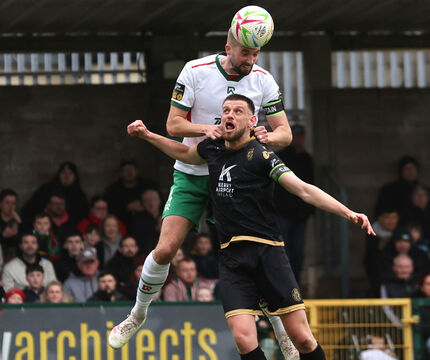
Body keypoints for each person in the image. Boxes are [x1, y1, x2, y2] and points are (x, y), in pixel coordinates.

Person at [111, 94, 375, 360]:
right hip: (232, 259)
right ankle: (137, 313)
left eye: (237, 111)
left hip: (269, 253)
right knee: (243, 340)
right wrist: (148, 135)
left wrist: (348, 212)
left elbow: (304, 190)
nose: (229, 115)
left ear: (252, 121)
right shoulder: (211, 148)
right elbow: (184, 153)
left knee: (304, 340)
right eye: (226, 110)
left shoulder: (262, 155)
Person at [111, 23, 294, 353]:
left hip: (238, 175)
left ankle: (281, 331)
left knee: (250, 253)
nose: (250, 59)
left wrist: (268, 136)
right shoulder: (195, 71)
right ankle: (137, 314)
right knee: (166, 249)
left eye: (255, 53)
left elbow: (285, 133)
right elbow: (174, 124)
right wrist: (210, 130)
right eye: (245, 53)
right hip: (193, 171)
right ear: (228, 48)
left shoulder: (264, 80)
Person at [273, 124, 315, 285]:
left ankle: (295, 286)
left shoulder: (306, 159)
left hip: (300, 215)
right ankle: (286, 286)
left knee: (298, 253)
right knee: (284, 252)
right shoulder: (280, 156)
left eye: (300, 136)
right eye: (295, 135)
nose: (298, 139)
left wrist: (309, 211)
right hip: (282, 213)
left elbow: (310, 185)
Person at [21, 161, 89, 226]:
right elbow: (30, 210)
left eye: (70, 173)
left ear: (75, 176)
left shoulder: (79, 196)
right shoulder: (46, 190)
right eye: (63, 173)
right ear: (59, 175)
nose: (67, 176)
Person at [103, 160, 158, 225]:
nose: (129, 172)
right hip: (122, 224)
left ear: (137, 171)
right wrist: (127, 207)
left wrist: (143, 205)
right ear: (121, 173)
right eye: (126, 170)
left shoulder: (147, 185)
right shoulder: (113, 190)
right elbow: (110, 210)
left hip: (147, 222)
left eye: (131, 169)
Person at [0, 188, 22, 262]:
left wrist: (19, 223)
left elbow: (25, 238)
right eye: (7, 202)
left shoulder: (19, 217)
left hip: (15, 253)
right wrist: (2, 236)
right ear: (0, 203)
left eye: (13, 203)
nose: (11, 206)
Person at [129, 188, 162, 255]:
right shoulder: (138, 220)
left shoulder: (166, 215)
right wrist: (156, 229)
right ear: (143, 204)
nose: (151, 203)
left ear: (159, 201)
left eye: (153, 199)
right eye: (147, 200)